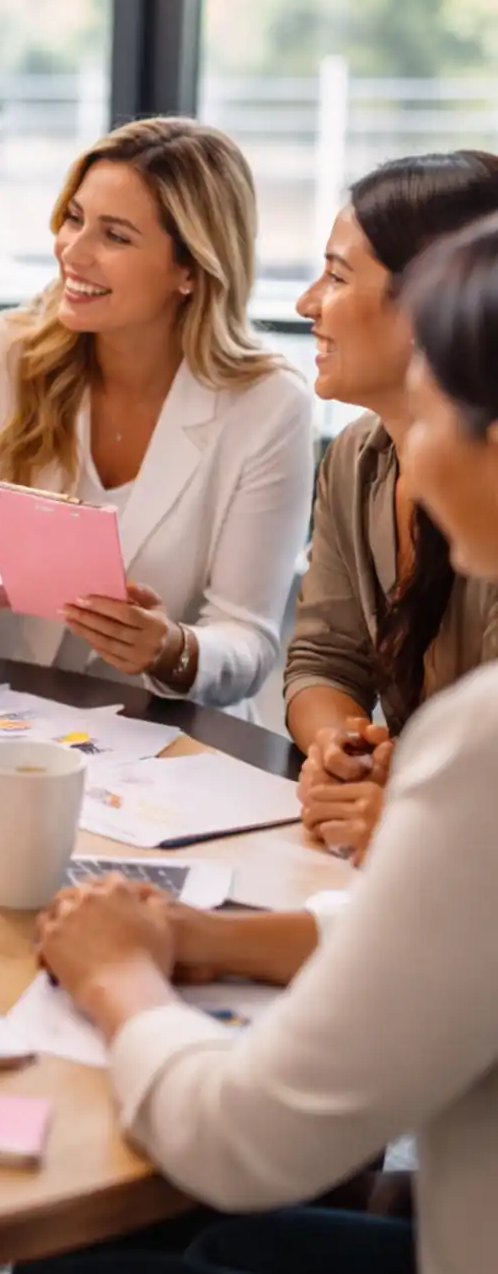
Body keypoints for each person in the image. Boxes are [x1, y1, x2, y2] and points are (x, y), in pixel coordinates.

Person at [24, 209, 498, 1274]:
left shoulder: (482, 741)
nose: (402, 458)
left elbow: (247, 1143)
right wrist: (208, 941)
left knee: (102, 1250)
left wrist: (117, 980)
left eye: (423, 418)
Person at [0, 118, 314, 715]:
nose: (71, 252)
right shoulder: (2, 353)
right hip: (0, 727)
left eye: (115, 236)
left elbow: (248, 636)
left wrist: (172, 648)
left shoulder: (269, 405)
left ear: (190, 268)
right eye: (74, 218)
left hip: (171, 750)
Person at [284, 152, 498, 862]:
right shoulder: (357, 455)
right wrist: (345, 751)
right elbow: (321, 656)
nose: (307, 303)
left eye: (338, 276)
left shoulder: (484, 492)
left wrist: (407, 799)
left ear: (431, 302)